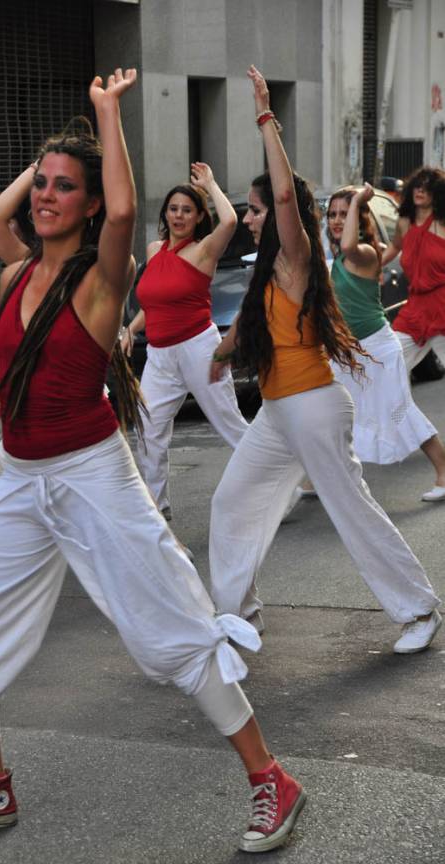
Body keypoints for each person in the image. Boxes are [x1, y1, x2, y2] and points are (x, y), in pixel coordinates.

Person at [0, 69, 305, 854]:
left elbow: (120, 208)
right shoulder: (17, 275)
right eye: (40, 185)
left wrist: (104, 116)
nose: (43, 196)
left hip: (92, 474)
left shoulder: (101, 282)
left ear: (87, 206)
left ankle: (271, 781)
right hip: (20, 478)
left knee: (172, 632)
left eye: (62, 188)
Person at [207, 65, 441, 656]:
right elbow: (250, 326)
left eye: (255, 210)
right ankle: (239, 615)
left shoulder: (298, 256)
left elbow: (286, 193)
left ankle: (419, 608)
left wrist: (265, 117)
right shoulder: (268, 272)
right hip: (279, 410)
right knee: (232, 501)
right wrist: (220, 352)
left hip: (313, 404)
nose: (252, 216)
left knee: (349, 508)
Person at [121, 164, 248, 521]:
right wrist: (130, 329)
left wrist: (210, 184)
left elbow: (230, 223)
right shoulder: (155, 248)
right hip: (160, 356)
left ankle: (277, 485)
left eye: (187, 210)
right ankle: (157, 514)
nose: (179, 215)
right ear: (165, 213)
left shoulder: (204, 250)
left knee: (229, 424)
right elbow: (154, 302)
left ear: (197, 218)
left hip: (199, 348)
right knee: (148, 431)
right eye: (173, 208)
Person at [315, 184, 445, 501]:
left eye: (345, 214)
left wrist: (359, 198)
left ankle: (444, 472)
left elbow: (347, 246)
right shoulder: (332, 258)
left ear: (360, 219)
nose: (335, 220)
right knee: (327, 411)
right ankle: (310, 479)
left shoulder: (366, 252)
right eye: (332, 214)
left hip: (377, 349)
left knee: (400, 412)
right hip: (345, 351)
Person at [382, 167, 445, 391]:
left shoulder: (442, 224)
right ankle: (400, 419)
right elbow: (394, 247)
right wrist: (372, 267)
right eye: (417, 185)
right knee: (392, 360)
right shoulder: (404, 223)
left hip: (442, 304)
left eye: (427, 187)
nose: (420, 190)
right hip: (416, 307)